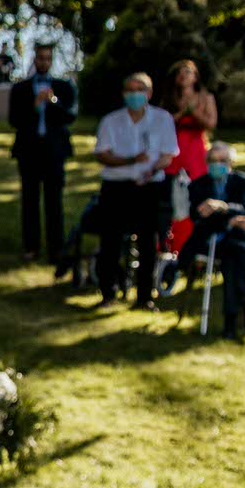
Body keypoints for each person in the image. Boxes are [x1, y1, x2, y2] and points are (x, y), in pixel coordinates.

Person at [94, 72, 179, 310]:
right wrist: (131, 161)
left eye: (139, 89)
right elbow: (102, 154)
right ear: (123, 94)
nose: (134, 95)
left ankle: (144, 297)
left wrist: (150, 170)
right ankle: (108, 293)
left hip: (149, 187)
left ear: (149, 94)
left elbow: (168, 155)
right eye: (130, 90)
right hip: (116, 187)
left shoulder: (162, 119)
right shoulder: (111, 121)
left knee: (147, 242)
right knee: (110, 241)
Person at [8, 43, 78, 263]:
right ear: (34, 59)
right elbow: (14, 119)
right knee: (30, 201)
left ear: (51, 60)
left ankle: (56, 247)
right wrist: (35, 105)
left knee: (54, 201)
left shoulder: (63, 87)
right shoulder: (20, 89)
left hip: (54, 152)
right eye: (40, 58)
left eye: (48, 59)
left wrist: (53, 101)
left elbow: (69, 117)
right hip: (29, 151)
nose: (44, 62)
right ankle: (31, 246)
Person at [184, 142, 245, 339]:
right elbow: (197, 218)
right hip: (209, 243)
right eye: (213, 161)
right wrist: (230, 220)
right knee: (237, 255)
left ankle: (232, 322)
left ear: (231, 162)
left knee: (235, 254)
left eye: (222, 161)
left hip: (238, 242)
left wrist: (222, 207)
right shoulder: (198, 185)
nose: (217, 165)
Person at [163, 59, 218, 257]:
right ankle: (168, 243)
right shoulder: (170, 98)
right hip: (174, 149)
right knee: (170, 196)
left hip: (195, 150)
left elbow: (211, 124)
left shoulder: (205, 97)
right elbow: (163, 123)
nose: (183, 76)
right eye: (179, 73)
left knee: (196, 194)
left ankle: (195, 244)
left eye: (187, 72)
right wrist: (180, 114)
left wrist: (193, 111)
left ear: (195, 76)